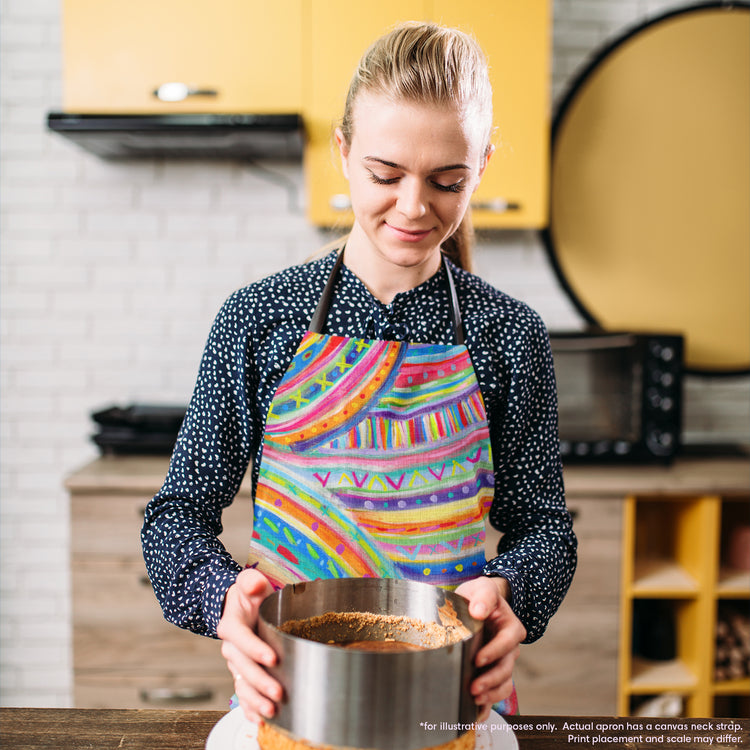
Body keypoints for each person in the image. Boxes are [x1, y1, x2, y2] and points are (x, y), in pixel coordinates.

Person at [141, 20, 577, 725]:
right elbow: (175, 519)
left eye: (447, 181)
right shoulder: (260, 318)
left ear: (483, 167)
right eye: (385, 174)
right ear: (342, 155)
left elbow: (545, 529)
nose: (413, 206)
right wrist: (224, 599)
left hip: (449, 700)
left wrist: (515, 595)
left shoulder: (509, 336)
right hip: (293, 698)